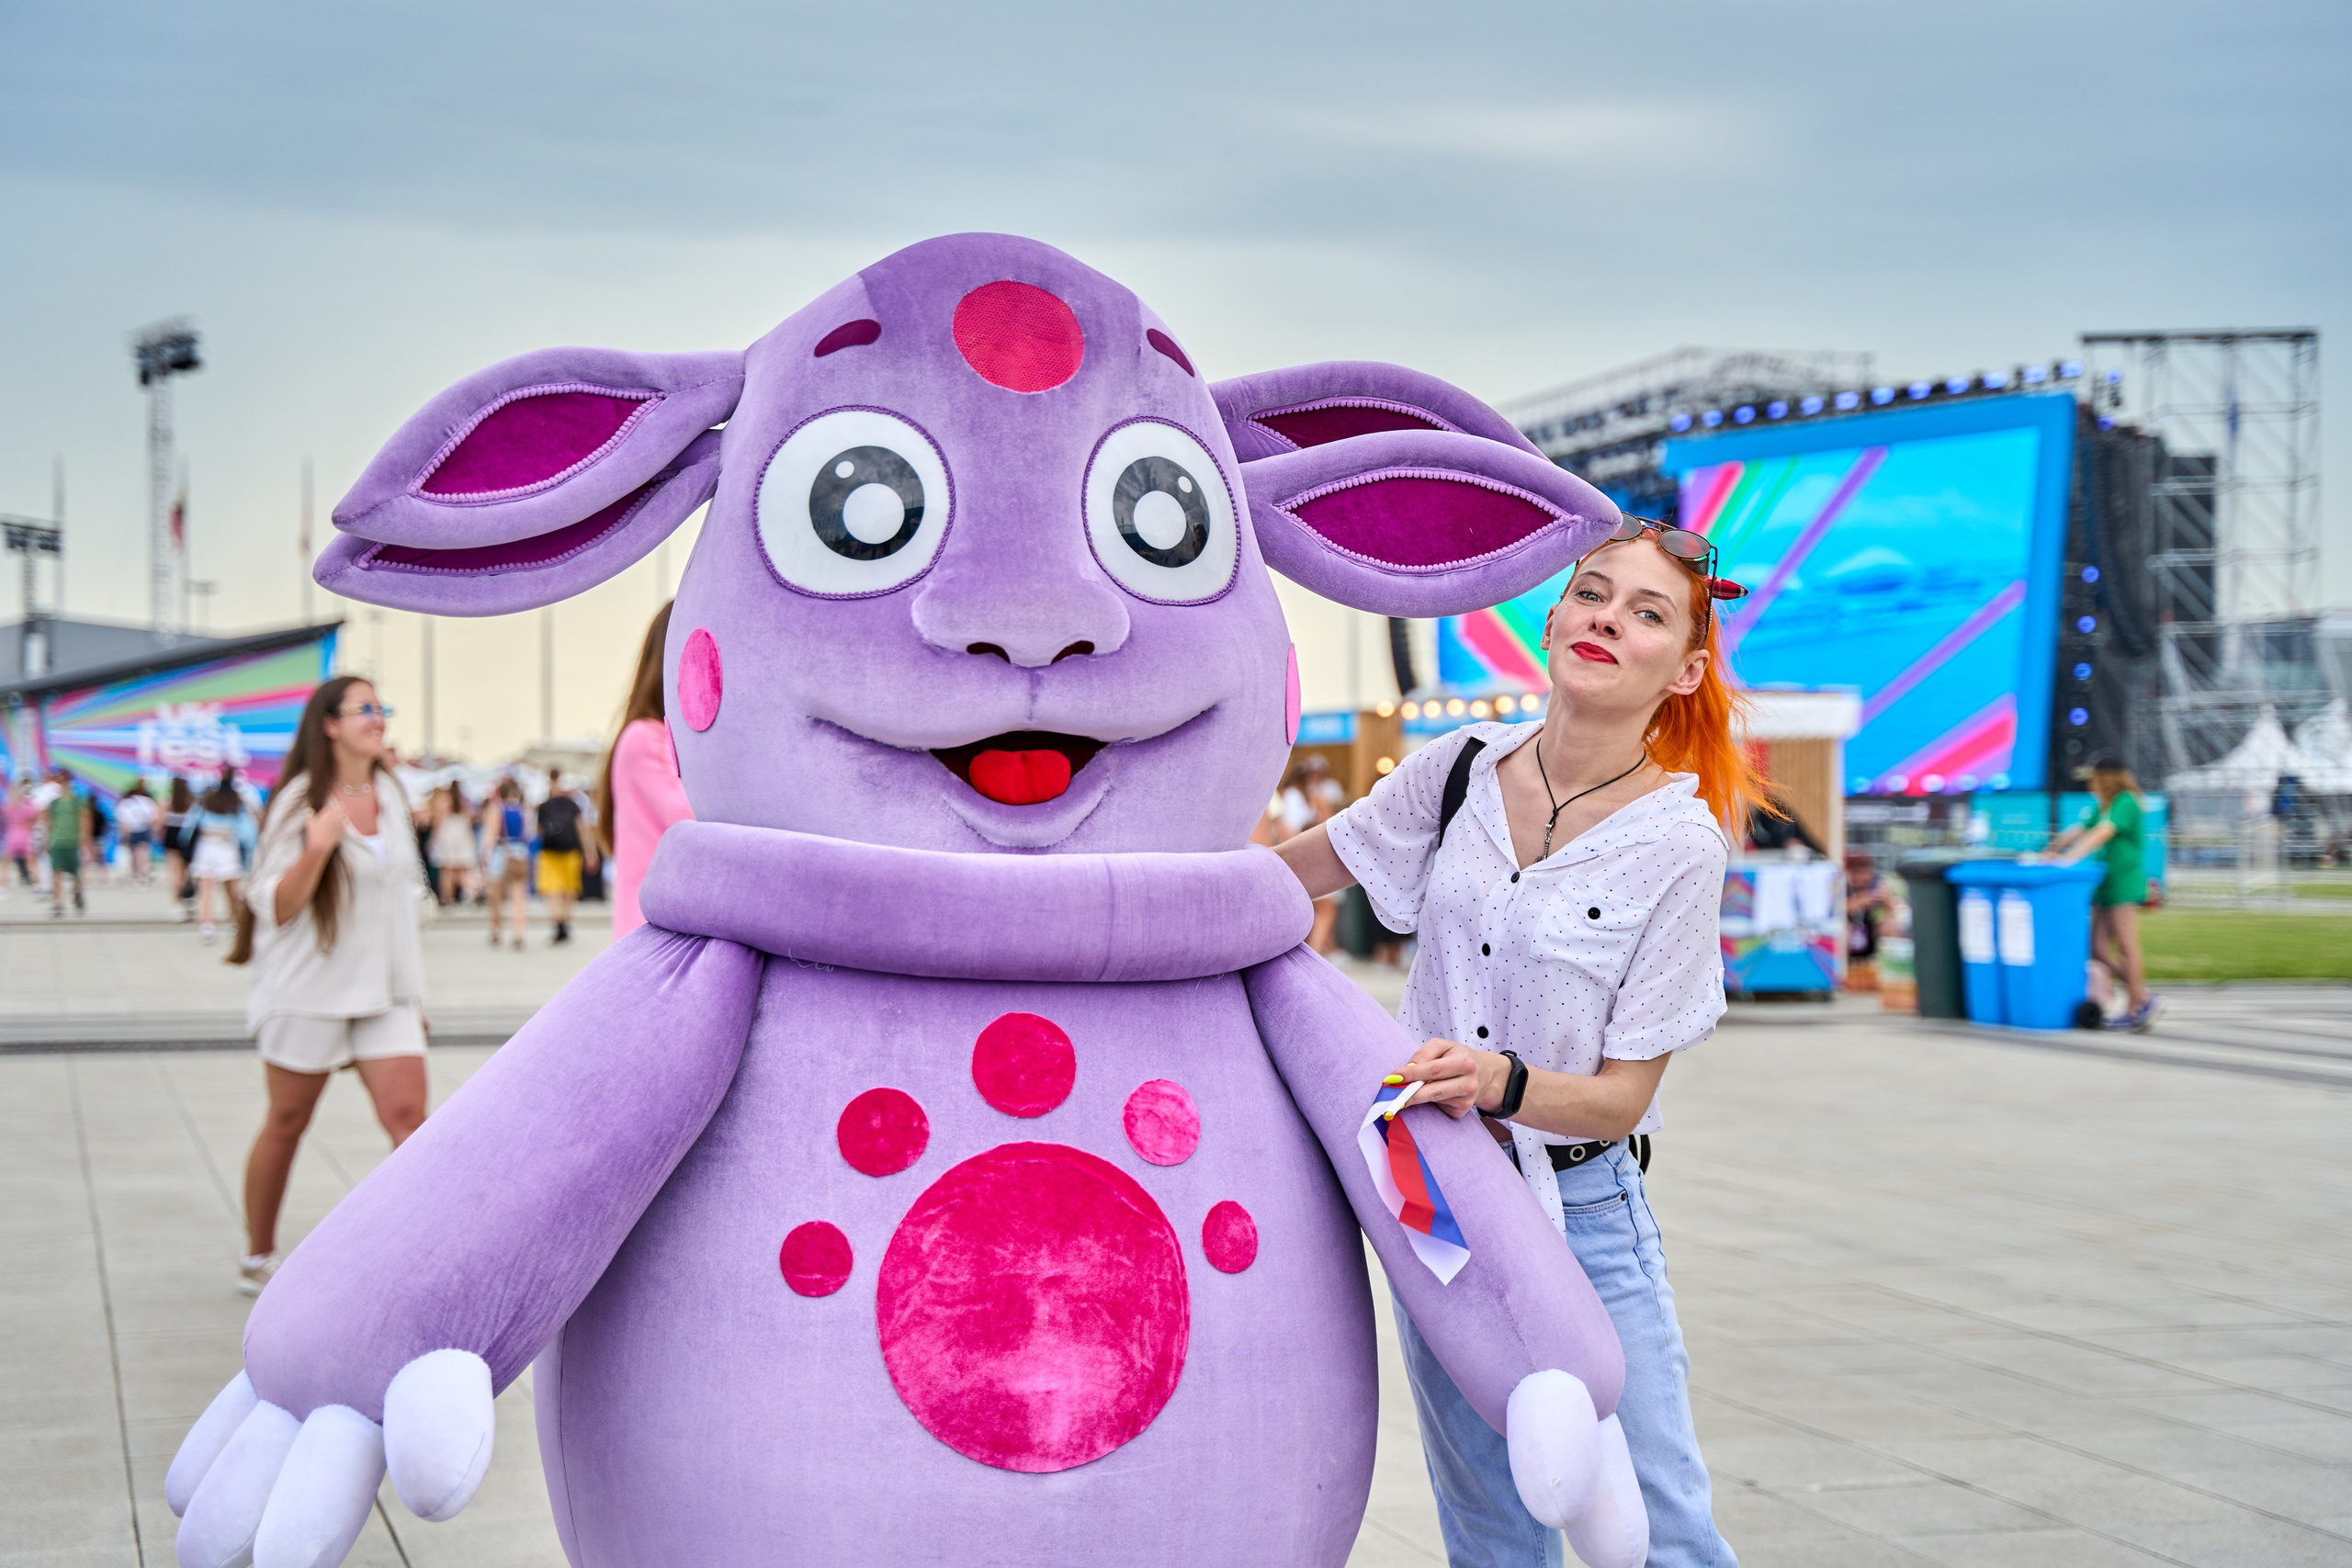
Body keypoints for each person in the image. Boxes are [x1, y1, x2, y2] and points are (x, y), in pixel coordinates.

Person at [1275, 516, 1758, 1568]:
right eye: (1593, 594)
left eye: (1645, 614)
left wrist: (1499, 1079)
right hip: (1439, 1195)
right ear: (1551, 619)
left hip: (1586, 1210)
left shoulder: (1678, 844)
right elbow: (1282, 880)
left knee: (1661, 1521)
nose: (1606, 621)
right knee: (1491, 1525)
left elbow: (1620, 1099)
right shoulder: (1453, 772)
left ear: (1682, 670)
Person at [225, 675, 430, 1294]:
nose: (377, 718)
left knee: (411, 1122)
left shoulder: (390, 792)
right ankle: (258, 1254)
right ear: (331, 724)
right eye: (364, 708)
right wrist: (317, 847)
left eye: (381, 707)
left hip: (385, 990)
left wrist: (413, 994)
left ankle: (418, 1249)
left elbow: (403, 893)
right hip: (309, 989)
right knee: (287, 1119)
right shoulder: (299, 799)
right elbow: (277, 905)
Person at [2042, 755, 2164, 1031]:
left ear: (2106, 778)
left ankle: (2137, 1005)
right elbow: (2080, 829)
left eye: (2094, 778)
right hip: (2105, 884)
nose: (2090, 784)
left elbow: (2101, 834)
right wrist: (2053, 848)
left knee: (2126, 945)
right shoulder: (2105, 805)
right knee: (2096, 947)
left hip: (2123, 884)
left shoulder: (2126, 802)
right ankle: (2142, 996)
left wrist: (2068, 859)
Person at [595, 601, 694, 937]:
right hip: (652, 933)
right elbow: (689, 814)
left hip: (671, 929)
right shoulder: (644, 738)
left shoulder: (660, 737)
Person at [1280, 755, 1347, 953]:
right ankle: (1315, 954)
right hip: (1313, 857)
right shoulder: (1311, 797)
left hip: (1294, 858)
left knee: (1311, 911)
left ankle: (1314, 952)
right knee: (1326, 910)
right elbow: (1329, 824)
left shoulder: (1287, 796)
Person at [187, 771, 256, 943]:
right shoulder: (238, 801)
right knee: (233, 889)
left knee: (206, 890)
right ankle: (235, 923)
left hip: (206, 846)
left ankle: (207, 927)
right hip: (227, 846)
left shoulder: (206, 799)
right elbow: (247, 831)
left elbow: (191, 823)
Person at [534, 773, 592, 943]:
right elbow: (582, 830)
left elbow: (538, 831)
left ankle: (558, 924)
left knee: (553, 890)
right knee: (569, 890)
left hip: (549, 853)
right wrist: (589, 853)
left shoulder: (542, 807)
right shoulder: (574, 806)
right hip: (571, 852)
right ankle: (564, 922)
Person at [483, 776, 534, 950]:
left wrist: (485, 857)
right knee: (519, 896)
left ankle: (496, 930)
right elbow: (529, 831)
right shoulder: (523, 809)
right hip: (519, 851)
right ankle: (519, 932)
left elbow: (491, 835)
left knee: (496, 895)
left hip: (501, 851)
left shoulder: (496, 809)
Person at [43, 766, 91, 918]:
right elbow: (49, 822)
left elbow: (84, 821)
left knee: (75, 873)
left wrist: (84, 840)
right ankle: (58, 904)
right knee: (56, 873)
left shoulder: (77, 802)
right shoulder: (54, 803)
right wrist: (47, 839)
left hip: (73, 842)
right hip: (57, 841)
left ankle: (78, 894)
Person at [426, 783, 481, 907]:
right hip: (462, 835)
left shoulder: (445, 801)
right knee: (462, 871)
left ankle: (447, 899)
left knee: (447, 871)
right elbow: (470, 820)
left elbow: (439, 822)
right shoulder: (463, 803)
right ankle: (474, 890)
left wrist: (434, 839)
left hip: (448, 836)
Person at [115, 780, 160, 883]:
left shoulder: (126, 802)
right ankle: (143, 873)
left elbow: (122, 820)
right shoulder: (148, 801)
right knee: (143, 853)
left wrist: (124, 833)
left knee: (132, 853)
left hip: (131, 830)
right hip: (144, 828)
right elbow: (154, 817)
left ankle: (134, 873)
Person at [4, 777, 38, 888]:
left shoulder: (10, 806)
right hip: (25, 833)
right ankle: (36, 877)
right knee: (30, 858)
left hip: (13, 833)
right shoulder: (27, 805)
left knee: (7, 858)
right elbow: (34, 816)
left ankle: (4, 879)